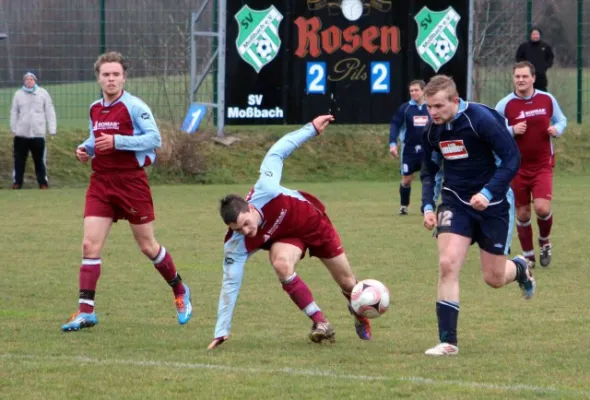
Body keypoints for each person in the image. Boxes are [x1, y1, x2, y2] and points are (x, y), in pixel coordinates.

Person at [207, 115, 371, 350]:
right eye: (239, 229)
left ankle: (359, 312)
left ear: (251, 207)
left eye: (246, 223)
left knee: (348, 283)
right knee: (281, 265)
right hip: (287, 239)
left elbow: (278, 151)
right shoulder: (236, 243)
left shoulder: (267, 187)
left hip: (314, 224)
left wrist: (311, 129)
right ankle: (320, 322)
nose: (246, 231)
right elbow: (230, 283)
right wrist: (221, 330)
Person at [61, 51, 192, 331]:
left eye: (115, 74)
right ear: (98, 78)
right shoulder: (95, 108)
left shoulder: (134, 106)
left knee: (147, 246)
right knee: (89, 245)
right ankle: (86, 311)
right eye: (106, 74)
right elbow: (96, 138)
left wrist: (118, 142)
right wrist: (85, 148)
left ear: (124, 77)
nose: (111, 79)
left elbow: (154, 139)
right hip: (101, 182)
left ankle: (179, 289)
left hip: (131, 183)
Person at [420, 75, 536, 356]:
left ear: (455, 101)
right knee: (447, 264)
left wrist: (487, 192)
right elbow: (430, 171)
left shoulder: (481, 119)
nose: (432, 112)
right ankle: (448, 341)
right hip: (454, 201)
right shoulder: (433, 131)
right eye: (429, 107)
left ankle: (519, 268)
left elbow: (512, 159)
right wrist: (426, 206)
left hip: (493, 204)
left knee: (494, 278)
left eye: (438, 106)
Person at [495, 61, 567, 268]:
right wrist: (511, 130)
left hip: (543, 164)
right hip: (516, 166)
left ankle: (544, 241)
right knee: (523, 213)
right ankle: (528, 255)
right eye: (517, 76)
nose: (521, 80)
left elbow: (562, 120)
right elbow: (493, 132)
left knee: (542, 209)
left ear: (533, 78)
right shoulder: (504, 105)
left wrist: (557, 129)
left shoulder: (547, 99)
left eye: (525, 76)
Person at [389, 80, 430, 215]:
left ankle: (427, 207)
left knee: (427, 178)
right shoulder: (405, 108)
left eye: (416, 90)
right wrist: (393, 144)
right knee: (407, 179)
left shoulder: (430, 107)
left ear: (423, 91)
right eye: (411, 90)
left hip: (427, 149)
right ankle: (404, 205)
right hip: (409, 150)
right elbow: (395, 125)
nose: (413, 93)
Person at [10, 71, 57, 189]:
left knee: (39, 160)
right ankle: (17, 182)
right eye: (27, 79)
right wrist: (14, 128)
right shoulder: (18, 94)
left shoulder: (43, 93)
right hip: (21, 134)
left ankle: (43, 182)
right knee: (19, 159)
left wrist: (52, 129)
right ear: (24, 81)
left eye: (31, 79)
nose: (29, 81)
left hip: (38, 133)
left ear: (35, 81)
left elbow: (50, 111)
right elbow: (14, 112)